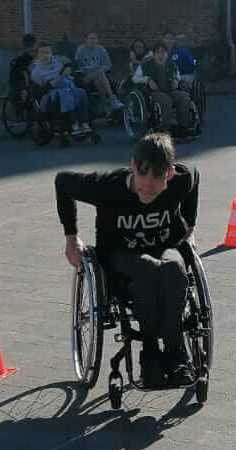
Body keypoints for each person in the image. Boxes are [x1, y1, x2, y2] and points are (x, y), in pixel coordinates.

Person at [57, 133, 200, 388]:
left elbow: (194, 178)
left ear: (169, 174)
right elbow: (63, 182)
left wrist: (189, 228)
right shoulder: (107, 186)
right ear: (133, 165)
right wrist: (71, 239)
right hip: (119, 256)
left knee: (174, 267)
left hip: (165, 248)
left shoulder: (181, 180)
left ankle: (175, 353)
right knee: (147, 268)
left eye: (157, 177)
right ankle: (150, 353)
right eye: (142, 174)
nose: (148, 184)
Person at [28, 43, 91, 136]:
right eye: (42, 53)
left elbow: (70, 66)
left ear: (51, 53)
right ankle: (73, 122)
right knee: (66, 93)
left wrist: (68, 69)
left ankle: (84, 122)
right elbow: (39, 91)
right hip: (50, 94)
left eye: (48, 52)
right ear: (37, 55)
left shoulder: (59, 62)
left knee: (82, 92)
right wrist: (57, 80)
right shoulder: (36, 71)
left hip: (67, 86)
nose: (45, 55)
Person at [139, 42, 196, 134]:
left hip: (170, 91)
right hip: (153, 93)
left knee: (184, 97)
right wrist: (147, 79)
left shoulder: (172, 65)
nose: (160, 55)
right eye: (158, 52)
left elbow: (177, 76)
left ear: (167, 54)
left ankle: (183, 126)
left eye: (163, 52)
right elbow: (135, 78)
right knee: (166, 100)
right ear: (153, 54)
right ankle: (168, 127)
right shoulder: (145, 66)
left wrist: (176, 80)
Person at [74, 31, 124, 122]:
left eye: (95, 39)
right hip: (85, 77)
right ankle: (112, 99)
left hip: (99, 76)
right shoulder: (81, 50)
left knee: (99, 75)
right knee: (99, 71)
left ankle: (101, 107)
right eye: (91, 38)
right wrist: (92, 69)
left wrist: (99, 70)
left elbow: (108, 65)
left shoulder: (101, 49)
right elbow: (77, 66)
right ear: (86, 40)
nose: (93, 41)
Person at [7, 32, 38, 101]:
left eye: (32, 45)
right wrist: (22, 89)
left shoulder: (40, 57)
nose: (31, 48)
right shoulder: (19, 61)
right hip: (22, 89)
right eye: (29, 45)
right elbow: (14, 80)